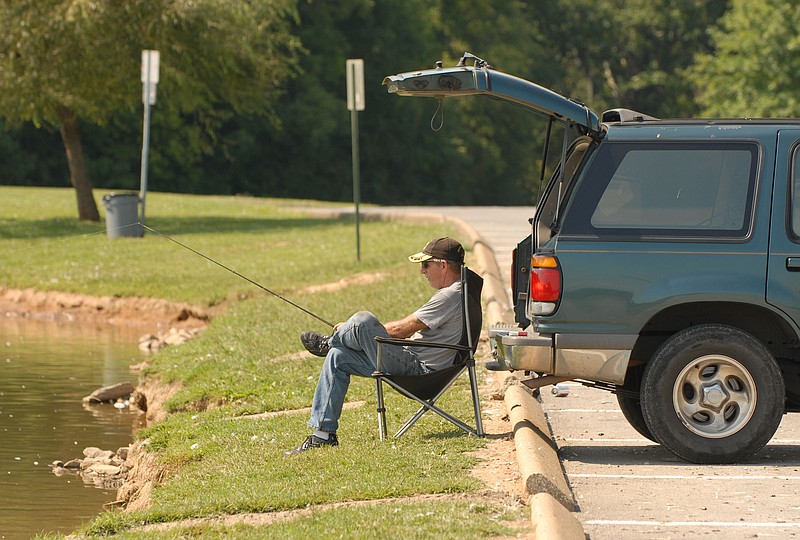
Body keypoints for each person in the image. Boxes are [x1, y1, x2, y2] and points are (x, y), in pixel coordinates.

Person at [285, 237, 466, 455]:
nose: (422, 271)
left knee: (363, 321)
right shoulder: (462, 287)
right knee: (338, 357)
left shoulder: (450, 295)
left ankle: (330, 341)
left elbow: (401, 330)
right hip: (417, 362)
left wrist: (358, 330)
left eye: (425, 264)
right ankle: (322, 435)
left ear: (443, 265)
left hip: (420, 371)